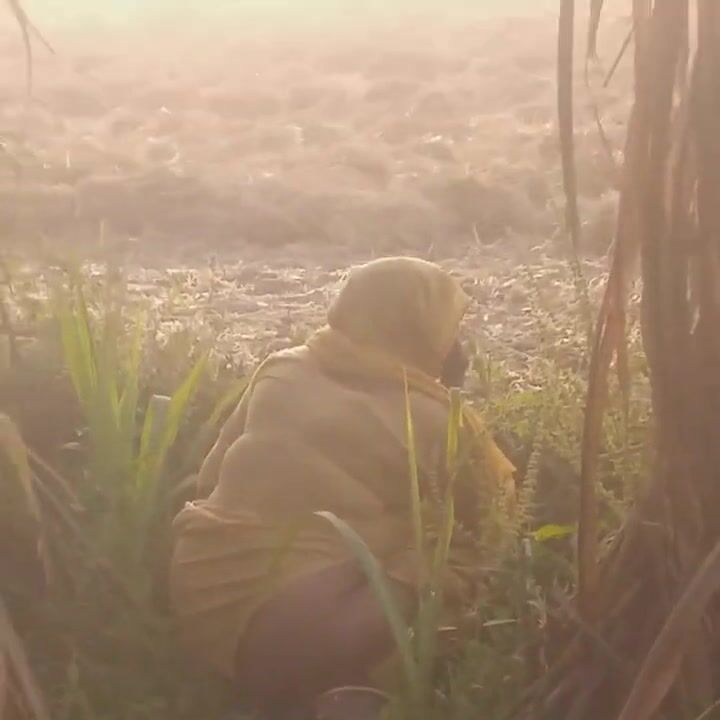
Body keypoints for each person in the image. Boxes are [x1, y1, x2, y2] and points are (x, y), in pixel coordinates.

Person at [169, 257, 515, 720]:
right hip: (320, 631)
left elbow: (211, 475)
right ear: (423, 331)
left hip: (200, 590)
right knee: (450, 560)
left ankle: (299, 693)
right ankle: (343, 690)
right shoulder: (440, 420)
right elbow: (497, 517)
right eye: (452, 328)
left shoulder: (282, 368)